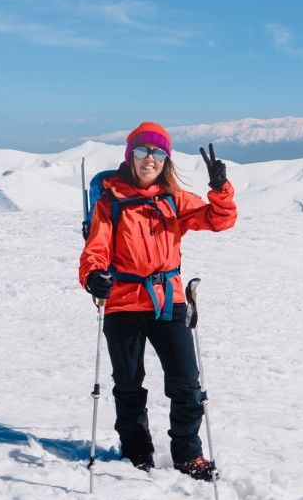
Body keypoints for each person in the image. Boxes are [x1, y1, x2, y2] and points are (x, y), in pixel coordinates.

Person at [79, 121, 236, 481]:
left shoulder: (174, 200)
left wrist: (220, 188)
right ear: (130, 156)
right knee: (130, 384)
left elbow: (219, 220)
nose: (150, 158)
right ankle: (137, 451)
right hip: (123, 304)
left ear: (166, 160)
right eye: (142, 150)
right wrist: (93, 277)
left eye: (158, 152)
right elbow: (96, 250)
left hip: (169, 303)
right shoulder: (109, 202)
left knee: (186, 383)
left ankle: (188, 454)